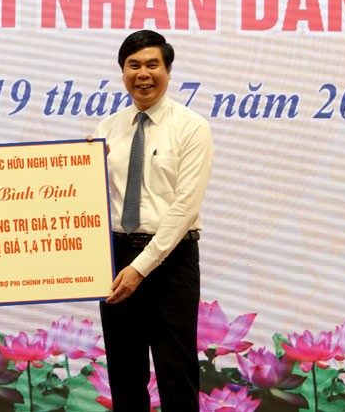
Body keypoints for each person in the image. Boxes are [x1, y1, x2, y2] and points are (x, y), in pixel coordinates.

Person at [93, 30, 213, 411]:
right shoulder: (107, 128)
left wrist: (141, 268)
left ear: (168, 70)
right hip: (116, 258)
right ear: (122, 72)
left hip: (171, 260)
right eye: (133, 65)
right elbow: (91, 198)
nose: (142, 74)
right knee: (124, 375)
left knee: (176, 374)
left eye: (152, 65)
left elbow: (185, 207)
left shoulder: (191, 127)